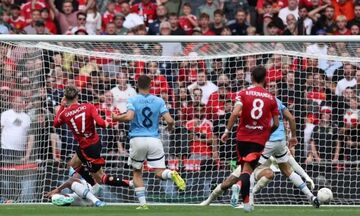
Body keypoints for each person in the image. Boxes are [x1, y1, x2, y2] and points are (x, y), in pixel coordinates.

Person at [200, 66, 279, 212]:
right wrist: (266, 132)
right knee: (247, 170)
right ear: (265, 79)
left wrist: (226, 131)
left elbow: (235, 112)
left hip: (242, 137)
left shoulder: (243, 93)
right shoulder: (271, 98)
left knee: (245, 169)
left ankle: (244, 198)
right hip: (258, 139)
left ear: (252, 78)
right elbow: (276, 123)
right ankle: (247, 203)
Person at [230, 81, 319, 208]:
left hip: (267, 141)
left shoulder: (259, 101)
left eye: (274, 87)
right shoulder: (277, 101)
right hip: (281, 141)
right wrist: (293, 137)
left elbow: (243, 115)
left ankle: (243, 193)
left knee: (249, 169)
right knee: (287, 170)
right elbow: (291, 119)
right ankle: (311, 196)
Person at [112, 75, 186, 209]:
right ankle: (171, 173)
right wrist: (169, 128)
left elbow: (129, 117)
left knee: (137, 172)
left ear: (137, 85)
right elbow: (170, 120)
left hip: (137, 139)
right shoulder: (159, 100)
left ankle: (143, 204)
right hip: (154, 140)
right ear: (150, 85)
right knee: (159, 172)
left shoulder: (133, 99)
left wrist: (116, 118)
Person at [53, 86, 130, 192]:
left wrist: (62, 106)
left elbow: (56, 123)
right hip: (92, 144)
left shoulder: (65, 113)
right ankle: (94, 185)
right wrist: (107, 123)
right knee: (73, 165)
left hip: (88, 147)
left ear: (65, 98)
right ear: (77, 96)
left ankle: (129, 183)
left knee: (101, 178)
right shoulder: (89, 106)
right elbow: (101, 123)